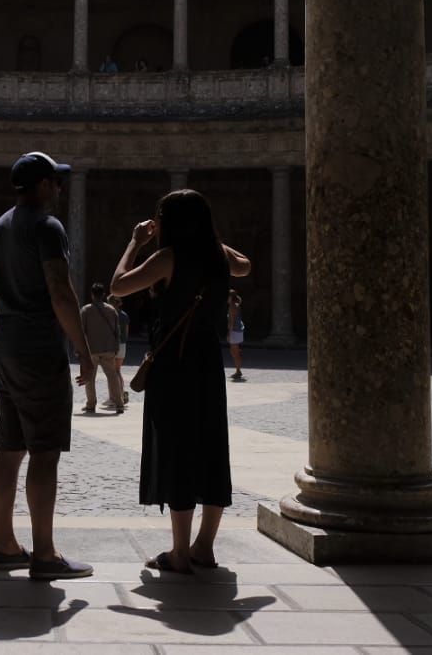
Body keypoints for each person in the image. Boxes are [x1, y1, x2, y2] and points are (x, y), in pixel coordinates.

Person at [0, 150, 96, 581]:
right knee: (44, 452)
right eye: (55, 182)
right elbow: (61, 290)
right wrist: (83, 348)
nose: (59, 188)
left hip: (10, 350)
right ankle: (44, 554)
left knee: (10, 446)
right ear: (42, 185)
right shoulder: (47, 226)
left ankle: (4, 545)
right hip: (40, 348)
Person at [110, 188, 251, 575]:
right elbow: (245, 265)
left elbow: (118, 286)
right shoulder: (219, 257)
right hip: (207, 360)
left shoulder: (167, 257)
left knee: (177, 450)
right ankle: (204, 546)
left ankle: (179, 553)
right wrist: (210, 238)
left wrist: (134, 242)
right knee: (210, 446)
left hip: (174, 364)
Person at [79, 283, 124, 414]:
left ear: (92, 294)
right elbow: (117, 331)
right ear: (103, 294)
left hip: (91, 349)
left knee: (90, 378)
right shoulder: (111, 310)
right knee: (112, 376)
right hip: (108, 348)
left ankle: (91, 404)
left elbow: (82, 331)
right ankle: (119, 404)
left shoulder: (86, 310)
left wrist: (80, 350)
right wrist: (116, 347)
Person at [112, 293, 131, 406]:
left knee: (114, 371)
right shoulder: (125, 315)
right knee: (118, 370)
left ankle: (120, 394)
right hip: (123, 344)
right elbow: (127, 332)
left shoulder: (112, 314)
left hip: (114, 345)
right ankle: (122, 393)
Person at [226, 290, 246, 381]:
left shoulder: (232, 306)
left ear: (230, 297)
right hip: (239, 330)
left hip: (234, 331)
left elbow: (231, 322)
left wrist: (229, 334)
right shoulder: (237, 305)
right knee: (234, 351)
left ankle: (238, 371)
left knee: (235, 352)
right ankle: (238, 370)